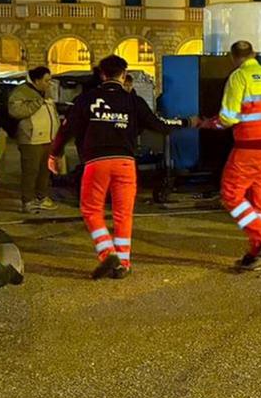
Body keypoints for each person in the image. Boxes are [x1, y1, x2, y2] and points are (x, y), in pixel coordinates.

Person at [48, 56, 192, 279]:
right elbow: (159, 125)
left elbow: (66, 130)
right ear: (123, 75)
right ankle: (123, 262)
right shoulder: (133, 101)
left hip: (96, 163)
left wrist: (54, 154)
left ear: (102, 74)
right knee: (123, 214)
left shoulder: (86, 99)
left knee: (91, 210)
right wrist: (186, 122)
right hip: (125, 163)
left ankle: (107, 253)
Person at [209, 41, 261, 268]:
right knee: (258, 196)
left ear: (234, 57)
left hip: (248, 145)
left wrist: (210, 123)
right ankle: (256, 249)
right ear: (254, 55)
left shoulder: (238, 77)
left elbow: (229, 117)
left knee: (231, 194)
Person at [7, 66, 60, 213]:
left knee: (45, 171)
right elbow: (15, 111)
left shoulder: (46, 93)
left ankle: (41, 197)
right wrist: (36, 103)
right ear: (37, 80)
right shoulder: (21, 92)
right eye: (46, 80)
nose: (49, 83)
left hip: (48, 138)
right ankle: (28, 201)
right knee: (31, 171)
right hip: (31, 139)